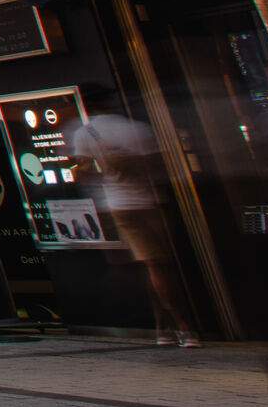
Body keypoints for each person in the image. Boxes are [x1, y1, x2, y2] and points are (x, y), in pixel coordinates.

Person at [68, 109, 197, 346]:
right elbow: (160, 165)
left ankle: (166, 328)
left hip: (118, 206)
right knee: (160, 265)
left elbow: (84, 174)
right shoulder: (136, 128)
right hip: (150, 203)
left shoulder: (84, 133)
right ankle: (182, 327)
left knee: (151, 266)